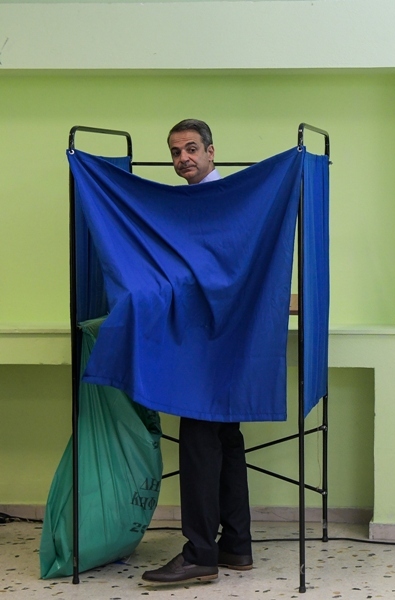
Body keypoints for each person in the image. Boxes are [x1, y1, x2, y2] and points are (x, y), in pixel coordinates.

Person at [142, 119, 253, 584]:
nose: (183, 158)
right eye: (175, 152)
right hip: (223, 336)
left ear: (211, 151)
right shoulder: (197, 203)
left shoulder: (219, 201)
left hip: (209, 340)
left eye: (191, 148)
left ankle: (200, 553)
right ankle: (236, 546)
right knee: (225, 437)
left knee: (199, 440)